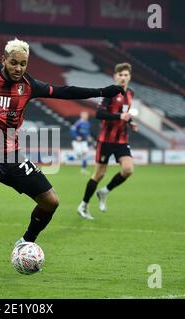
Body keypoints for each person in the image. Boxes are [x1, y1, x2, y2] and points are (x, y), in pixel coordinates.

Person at [0, 38, 125, 280]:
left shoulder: (28, 85)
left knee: (51, 202)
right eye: (14, 63)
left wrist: (100, 93)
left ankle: (25, 242)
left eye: (23, 64)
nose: (18, 68)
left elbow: (64, 92)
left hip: (13, 156)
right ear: (3, 59)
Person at [77, 63, 138, 220]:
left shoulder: (131, 93)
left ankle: (104, 191)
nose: (123, 78)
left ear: (130, 77)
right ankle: (83, 205)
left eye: (126, 75)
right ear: (115, 76)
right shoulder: (110, 93)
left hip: (122, 140)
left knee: (128, 169)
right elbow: (98, 114)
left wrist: (131, 123)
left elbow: (125, 114)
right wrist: (119, 117)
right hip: (105, 140)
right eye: (120, 75)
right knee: (99, 174)